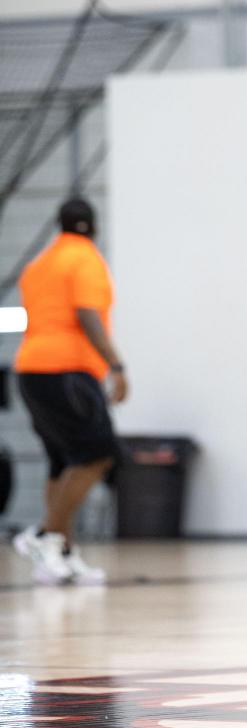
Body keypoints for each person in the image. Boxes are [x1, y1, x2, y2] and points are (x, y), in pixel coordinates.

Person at [13, 197, 128, 585]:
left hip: (31, 370)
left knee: (62, 461)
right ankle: (45, 535)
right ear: (93, 226)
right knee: (98, 453)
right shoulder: (85, 258)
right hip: (68, 371)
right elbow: (87, 314)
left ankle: (58, 556)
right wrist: (116, 366)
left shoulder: (40, 264)